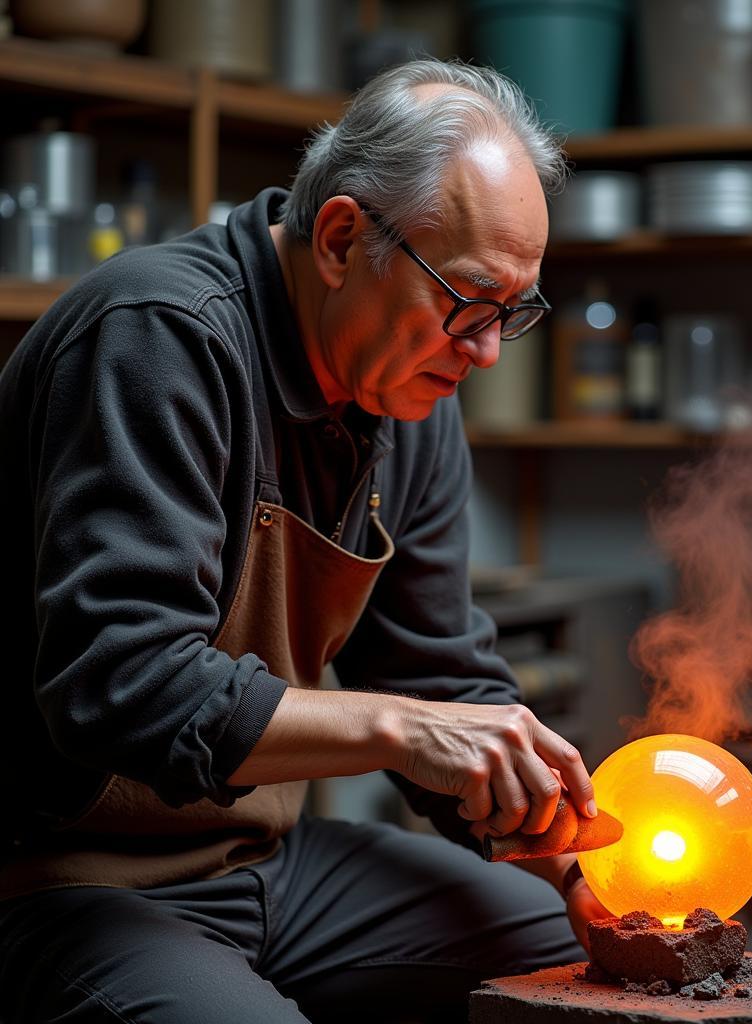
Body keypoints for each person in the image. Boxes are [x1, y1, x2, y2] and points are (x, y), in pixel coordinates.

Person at [0, 59, 608, 1023]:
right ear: (339, 238)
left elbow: (440, 673)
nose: (486, 351)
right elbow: (119, 684)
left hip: (267, 865)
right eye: (466, 302)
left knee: (577, 972)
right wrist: (402, 732)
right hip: (66, 879)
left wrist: (573, 857)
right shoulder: (161, 336)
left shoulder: (407, 399)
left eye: (511, 315)